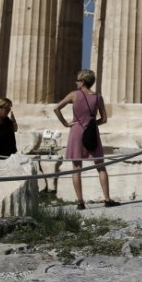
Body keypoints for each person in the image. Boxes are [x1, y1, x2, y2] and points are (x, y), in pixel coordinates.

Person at [54, 70, 118, 208]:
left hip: (76, 130)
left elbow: (56, 108)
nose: (76, 82)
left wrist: (66, 124)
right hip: (92, 132)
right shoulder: (98, 97)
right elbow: (104, 119)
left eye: (77, 80)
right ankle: (107, 199)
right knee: (100, 166)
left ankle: (80, 202)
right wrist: (93, 125)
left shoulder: (74, 95)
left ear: (82, 81)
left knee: (76, 168)